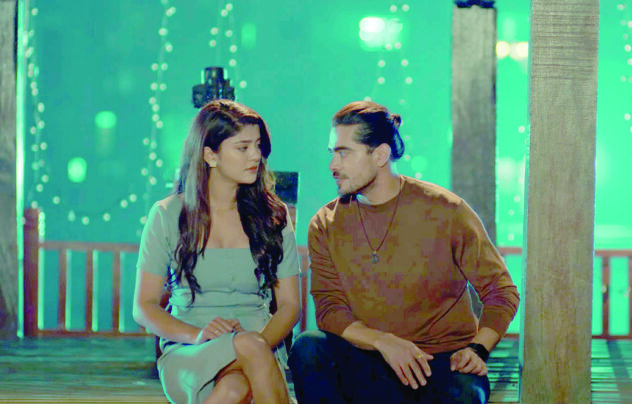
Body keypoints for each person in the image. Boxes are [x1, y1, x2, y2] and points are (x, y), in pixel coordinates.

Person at [288, 100, 519, 404]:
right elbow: (329, 310)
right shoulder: (326, 223)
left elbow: (501, 292)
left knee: (464, 393)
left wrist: (477, 349)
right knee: (308, 348)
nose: (333, 165)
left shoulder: (446, 210)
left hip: (441, 364)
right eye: (332, 152)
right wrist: (384, 342)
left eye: (344, 153)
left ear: (380, 155)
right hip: (370, 360)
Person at [133, 99, 300, 404]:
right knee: (243, 366)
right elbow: (143, 307)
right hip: (191, 348)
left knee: (234, 389)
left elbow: (290, 306)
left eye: (258, 146)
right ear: (210, 155)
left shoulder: (273, 217)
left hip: (261, 340)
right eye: (243, 148)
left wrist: (256, 346)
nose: (255, 156)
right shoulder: (167, 215)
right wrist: (196, 335)